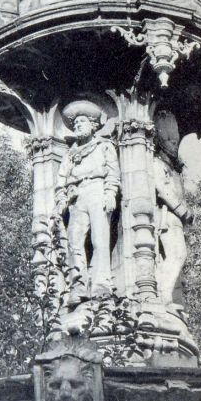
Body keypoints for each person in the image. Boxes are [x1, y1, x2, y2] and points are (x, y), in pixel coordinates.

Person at [54, 101, 121, 306]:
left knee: (99, 240)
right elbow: (61, 181)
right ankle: (78, 285)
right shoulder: (70, 154)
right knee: (74, 242)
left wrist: (110, 193)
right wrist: (61, 200)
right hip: (77, 198)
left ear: (93, 125)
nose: (78, 126)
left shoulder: (104, 146)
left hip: (98, 191)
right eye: (75, 124)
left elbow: (113, 173)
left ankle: (101, 284)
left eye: (82, 122)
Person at [153, 110, 193, 306]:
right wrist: (182, 210)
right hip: (166, 217)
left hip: (175, 219)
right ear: (160, 142)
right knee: (176, 254)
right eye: (169, 139)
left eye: (175, 140)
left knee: (177, 255)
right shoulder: (156, 163)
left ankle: (168, 295)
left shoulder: (172, 167)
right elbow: (161, 189)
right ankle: (163, 295)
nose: (174, 143)